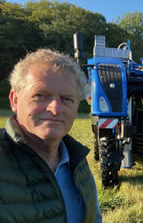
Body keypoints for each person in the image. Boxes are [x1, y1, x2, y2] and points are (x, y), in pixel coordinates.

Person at [0, 49, 102, 223]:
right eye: (40, 96)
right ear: (14, 100)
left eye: (67, 99)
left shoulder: (78, 161)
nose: (55, 109)